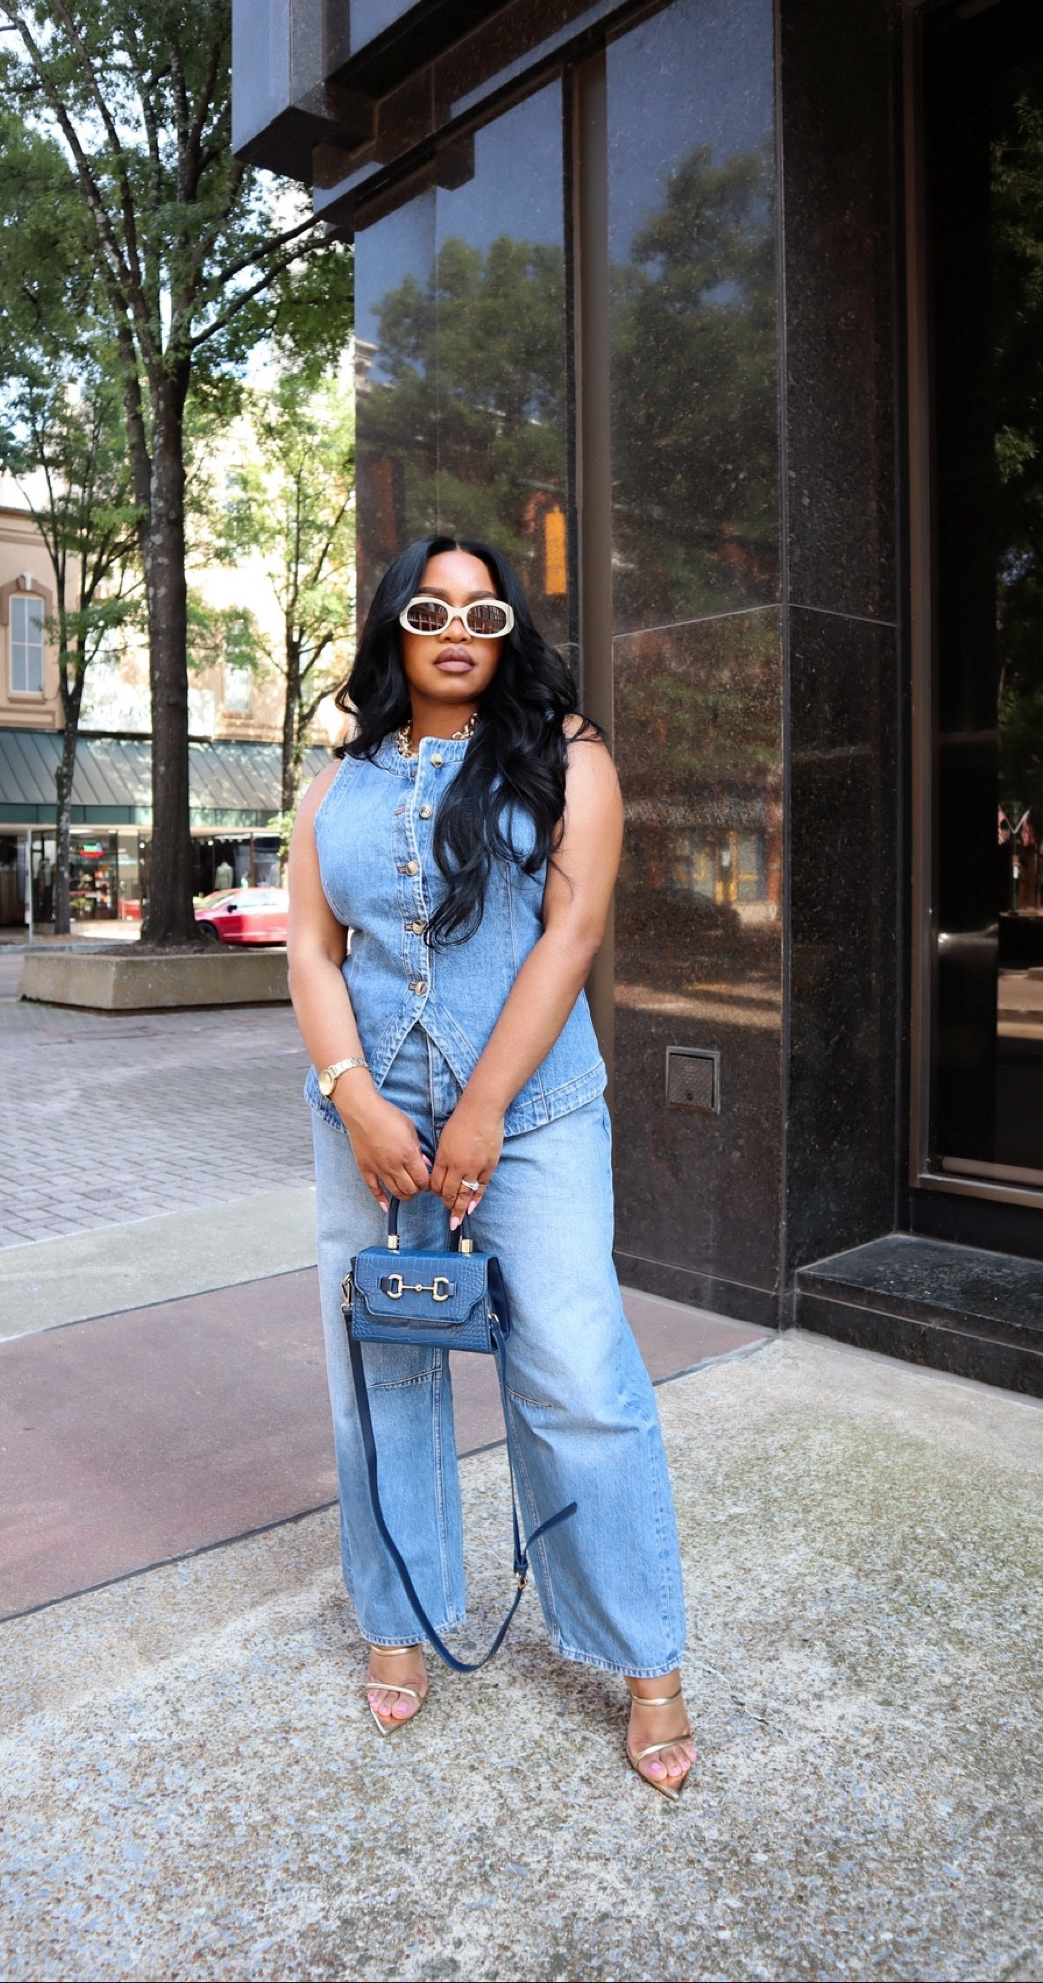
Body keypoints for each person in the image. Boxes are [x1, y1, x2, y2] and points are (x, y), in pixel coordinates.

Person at [287, 535, 696, 1800]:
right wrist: (357, 1101)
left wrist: (479, 1115)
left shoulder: (570, 761)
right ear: (393, 631)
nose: (454, 627)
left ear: (509, 628)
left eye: (481, 609)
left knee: (576, 1367)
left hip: (535, 1113)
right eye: (427, 608)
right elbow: (311, 950)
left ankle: (645, 1661)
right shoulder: (331, 782)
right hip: (366, 1118)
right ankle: (400, 1613)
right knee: (384, 1371)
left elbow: (568, 940)